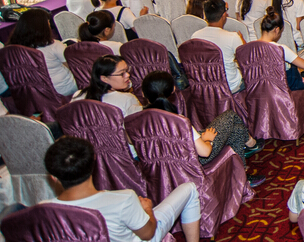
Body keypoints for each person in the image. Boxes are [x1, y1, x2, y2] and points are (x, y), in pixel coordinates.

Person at [43, 137, 202, 242]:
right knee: (189, 189)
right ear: (93, 162)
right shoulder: (123, 199)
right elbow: (148, 234)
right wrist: (147, 210)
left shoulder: (44, 210)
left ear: (53, 177)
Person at [141, 71, 265, 187]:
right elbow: (205, 152)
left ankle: (243, 176)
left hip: (166, 165)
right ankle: (250, 146)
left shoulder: (137, 121)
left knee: (236, 129)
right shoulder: (178, 121)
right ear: (173, 89)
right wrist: (207, 139)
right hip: (193, 159)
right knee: (230, 116)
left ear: (143, 93)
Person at [7, 8, 76, 96]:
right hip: (62, 89)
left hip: (34, 92)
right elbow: (72, 67)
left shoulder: (13, 48)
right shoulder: (54, 45)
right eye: (48, 22)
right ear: (44, 27)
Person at [192, 0, 245, 93]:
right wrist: (241, 39)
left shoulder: (195, 36)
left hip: (205, 84)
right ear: (224, 15)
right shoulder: (233, 37)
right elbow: (247, 58)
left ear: (205, 16)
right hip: (230, 86)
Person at [72, 54, 143, 117]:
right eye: (122, 73)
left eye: (127, 71)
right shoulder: (128, 99)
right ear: (104, 78)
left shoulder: (78, 95)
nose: (128, 75)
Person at [256, 8, 304, 91]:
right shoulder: (280, 49)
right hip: (278, 89)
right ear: (277, 30)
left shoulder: (249, 48)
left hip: (258, 88)